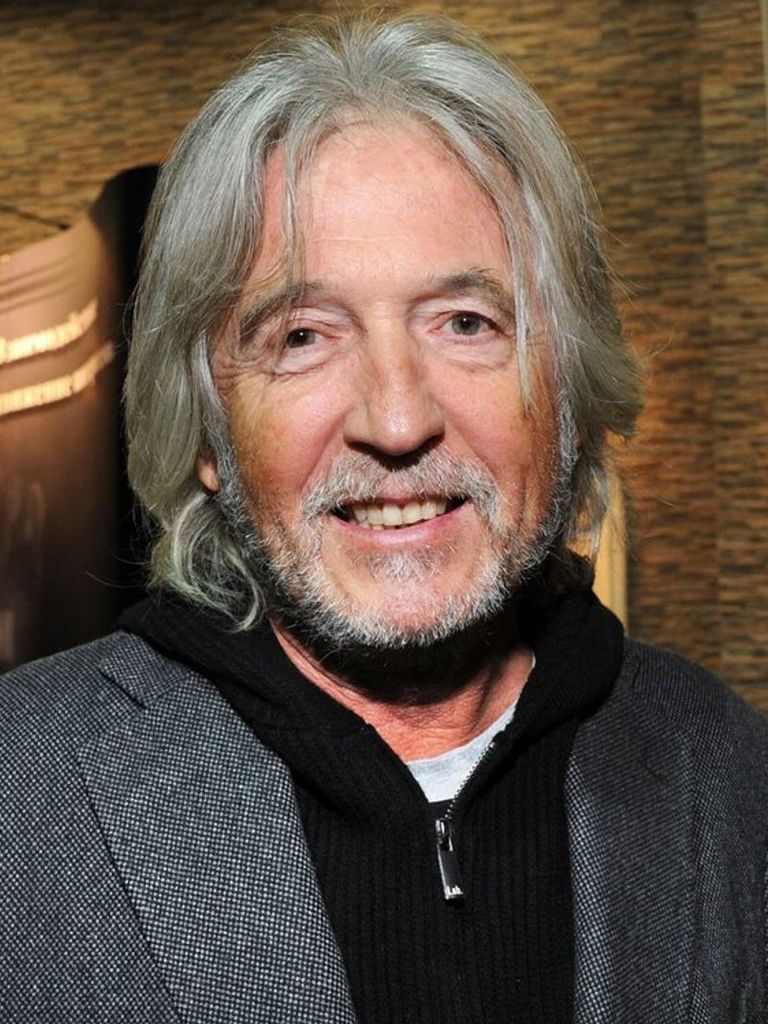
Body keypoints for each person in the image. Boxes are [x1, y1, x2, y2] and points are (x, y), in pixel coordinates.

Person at [1, 15, 765, 1024]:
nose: (397, 421)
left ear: (567, 396)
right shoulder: (23, 792)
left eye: (466, 323)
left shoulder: (727, 770)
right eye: (303, 336)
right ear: (207, 431)